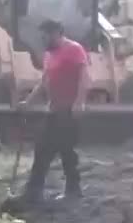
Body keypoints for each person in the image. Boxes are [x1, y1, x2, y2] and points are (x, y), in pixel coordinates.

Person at [18, 18, 87, 202]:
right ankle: (34, 192)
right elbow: (44, 82)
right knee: (42, 149)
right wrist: (28, 102)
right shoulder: (49, 55)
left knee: (66, 150)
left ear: (56, 33)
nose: (43, 40)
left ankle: (73, 190)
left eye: (45, 36)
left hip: (69, 110)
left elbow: (84, 76)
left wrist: (79, 102)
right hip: (54, 109)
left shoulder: (74, 49)